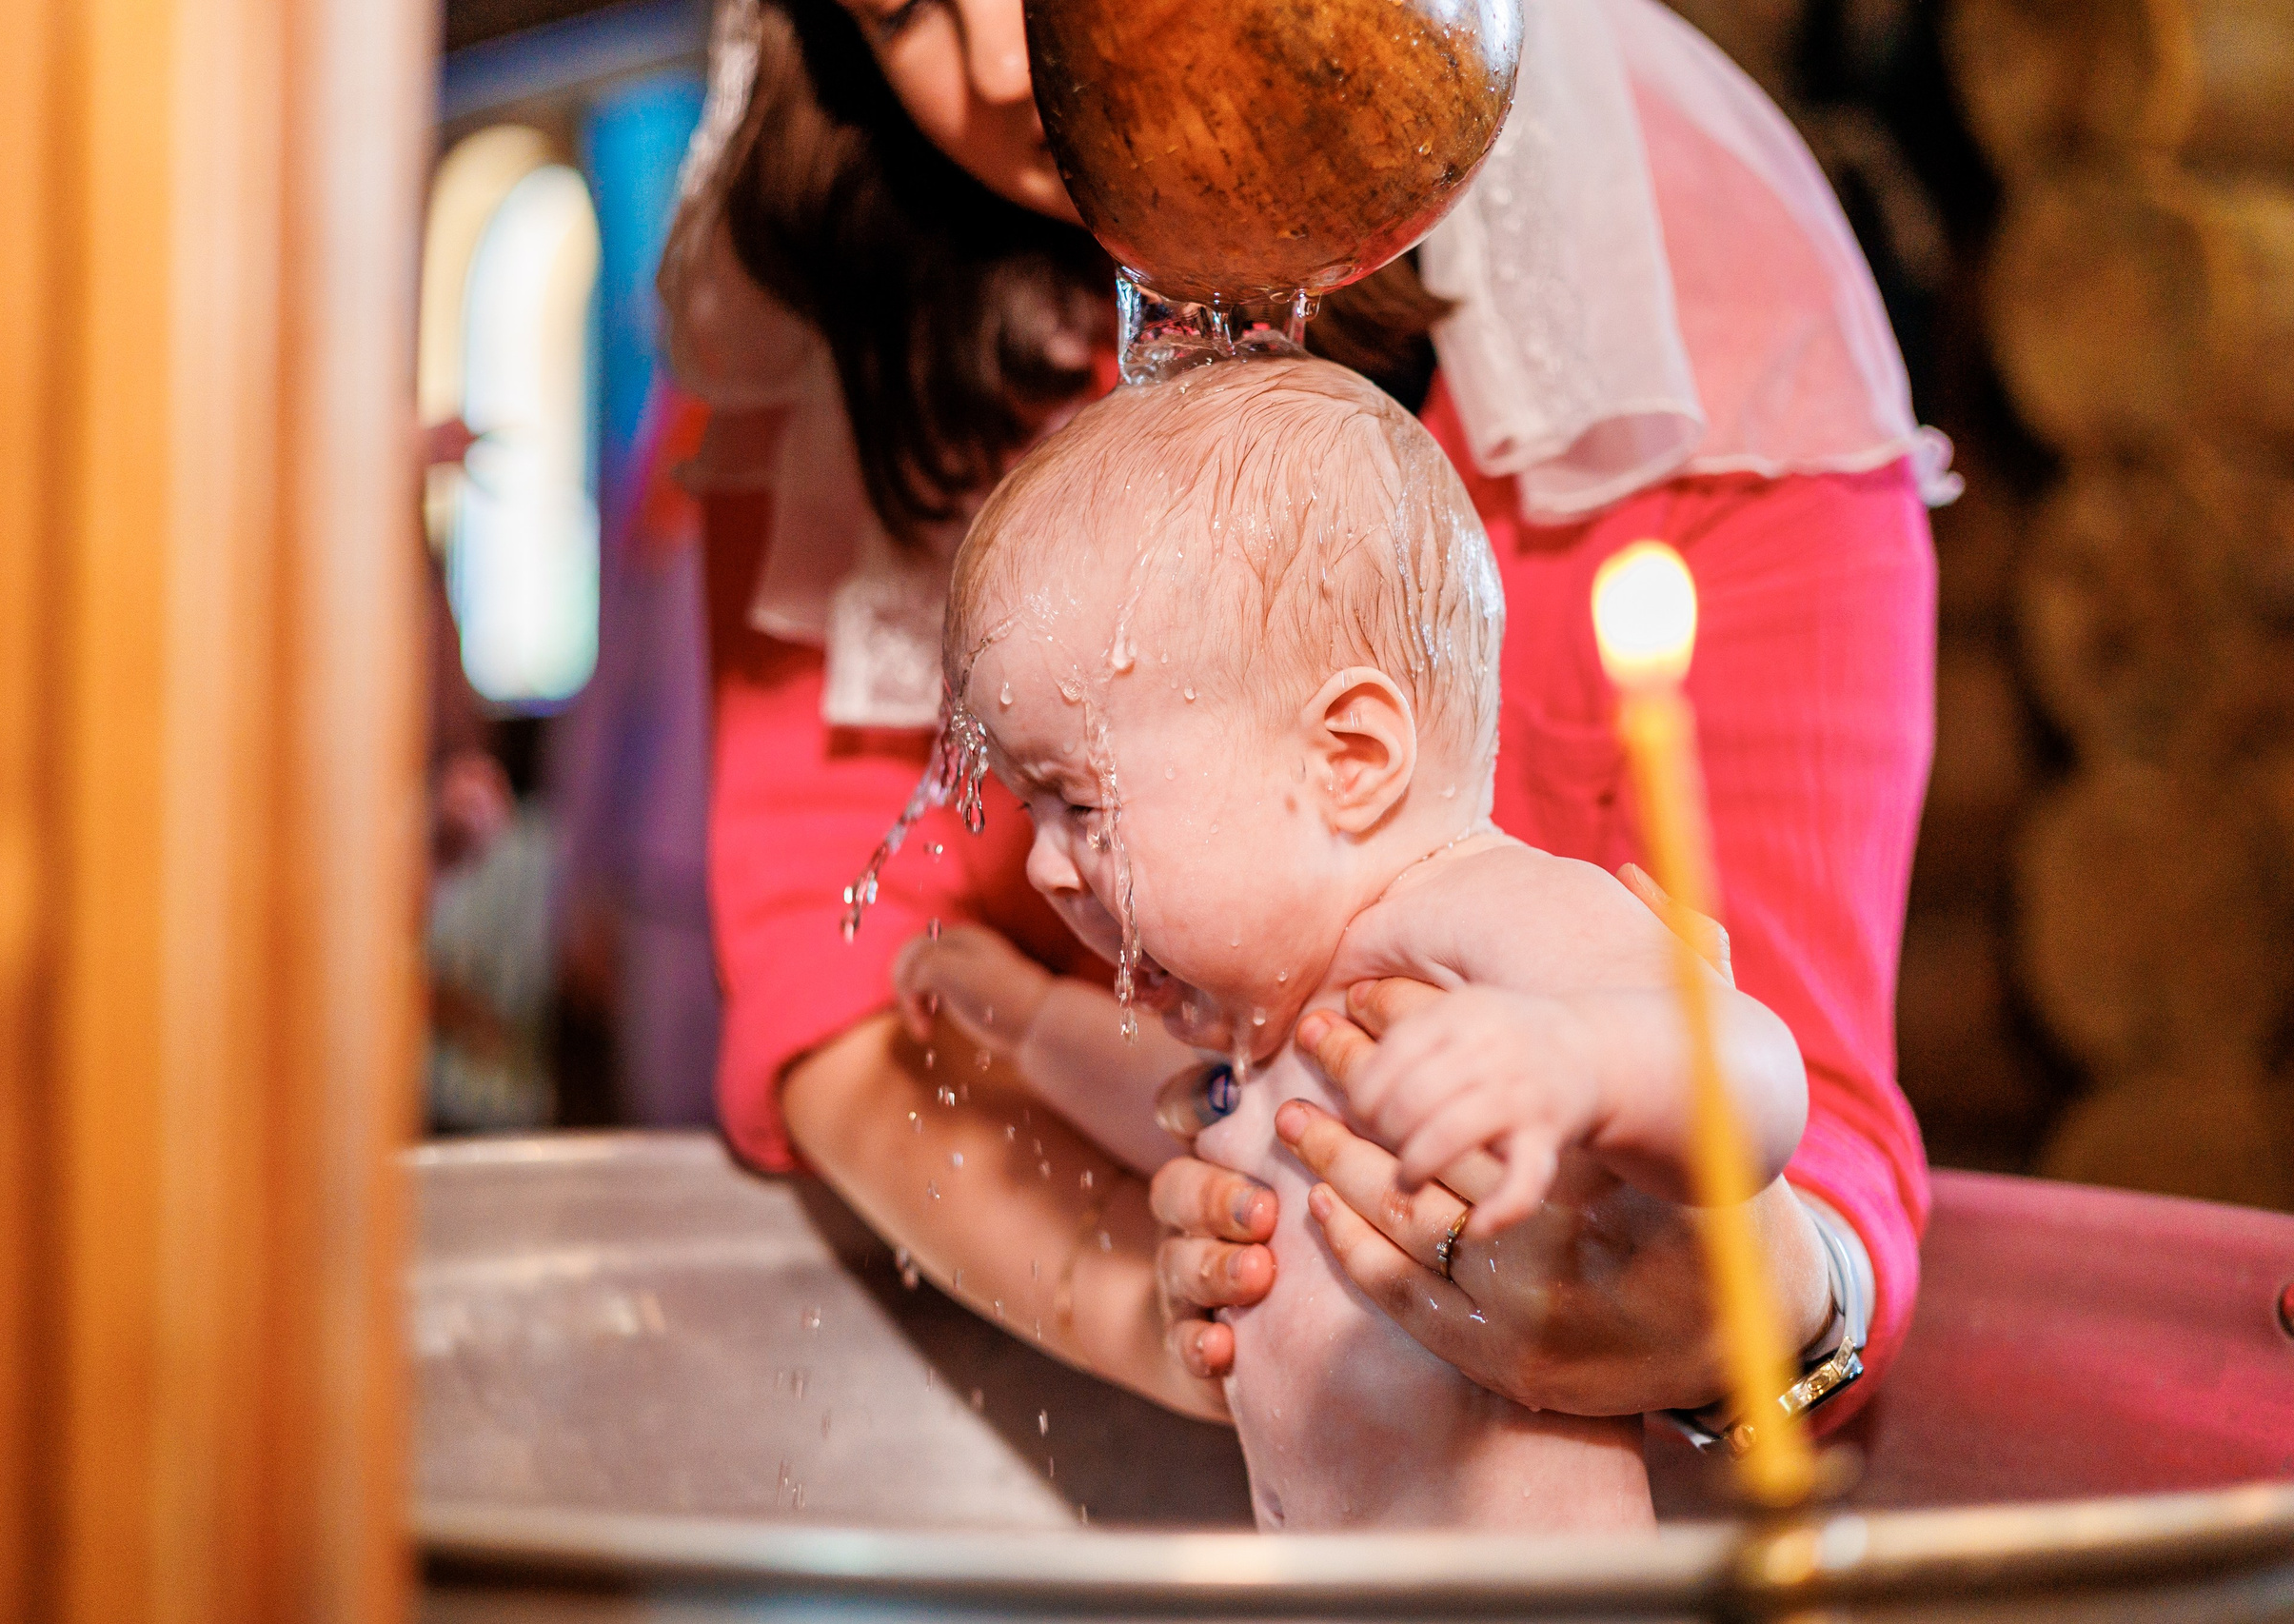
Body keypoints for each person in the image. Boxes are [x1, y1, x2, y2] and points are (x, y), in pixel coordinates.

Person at [661, 0, 1946, 1465]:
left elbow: (1792, 1097)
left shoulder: (1690, 296)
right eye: (899, 7)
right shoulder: (864, 279)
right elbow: (835, 970)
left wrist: (1751, 1314)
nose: (1005, 64)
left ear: (1363, 746)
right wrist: (1154, 1307)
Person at [899, 355, 1813, 1529]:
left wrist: (1576, 1064)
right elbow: (1170, 1103)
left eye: (1082, 802)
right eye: (1030, 809)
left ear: (1349, 759)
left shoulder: (1479, 919)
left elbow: (1750, 1075)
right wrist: (1028, 1023)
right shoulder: (1274, 1013)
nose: (1044, 866)